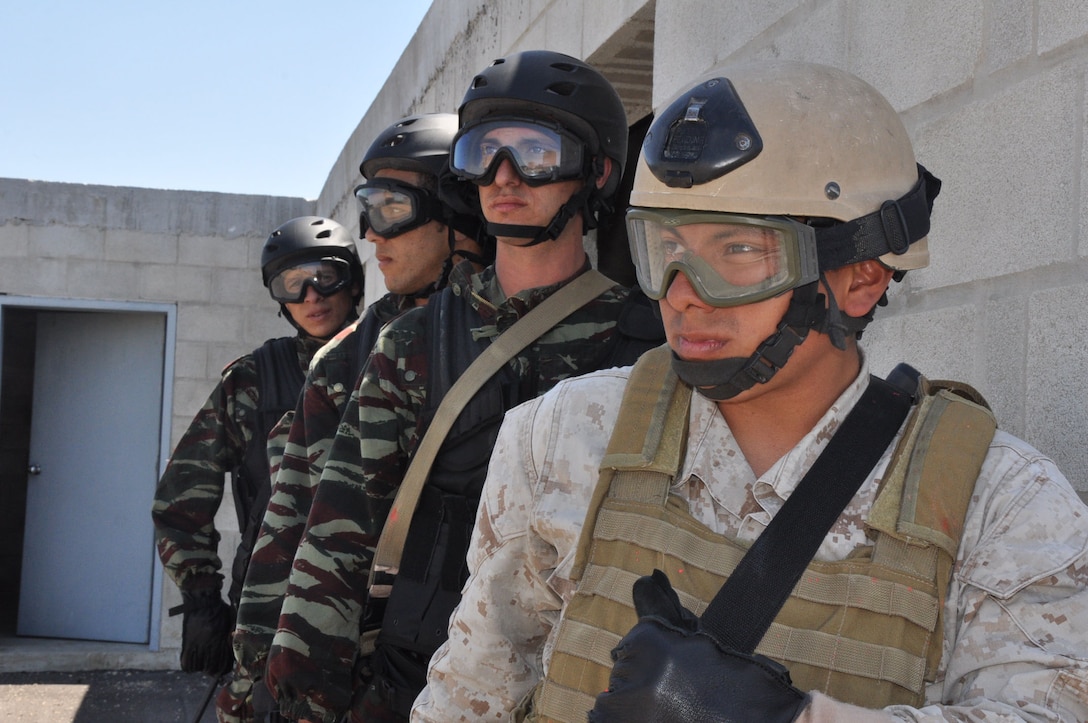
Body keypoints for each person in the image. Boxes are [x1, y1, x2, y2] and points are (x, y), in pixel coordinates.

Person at [414, 60, 1088, 722]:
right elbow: (470, 693)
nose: (682, 295)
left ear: (860, 276)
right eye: (666, 248)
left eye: (736, 252)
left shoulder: (998, 503)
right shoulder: (563, 433)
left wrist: (797, 717)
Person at [263, 49, 664, 722]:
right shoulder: (418, 340)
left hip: (586, 680)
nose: (504, 177)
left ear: (594, 172)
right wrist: (300, 688)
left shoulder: (647, 341)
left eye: (535, 153)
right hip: (422, 680)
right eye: (485, 153)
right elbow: (338, 529)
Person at [226, 113, 490, 723]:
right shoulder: (349, 356)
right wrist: (257, 671)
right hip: (366, 671)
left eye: (393, 207)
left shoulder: (537, 335)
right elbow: (290, 524)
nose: (373, 234)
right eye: (368, 209)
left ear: (456, 207)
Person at [151, 216, 363, 716]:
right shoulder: (252, 381)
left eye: (324, 277)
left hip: (370, 610)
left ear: (352, 281)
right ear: (279, 300)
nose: (312, 296)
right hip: (270, 606)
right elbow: (181, 498)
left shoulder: (395, 361)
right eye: (292, 284)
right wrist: (201, 596)